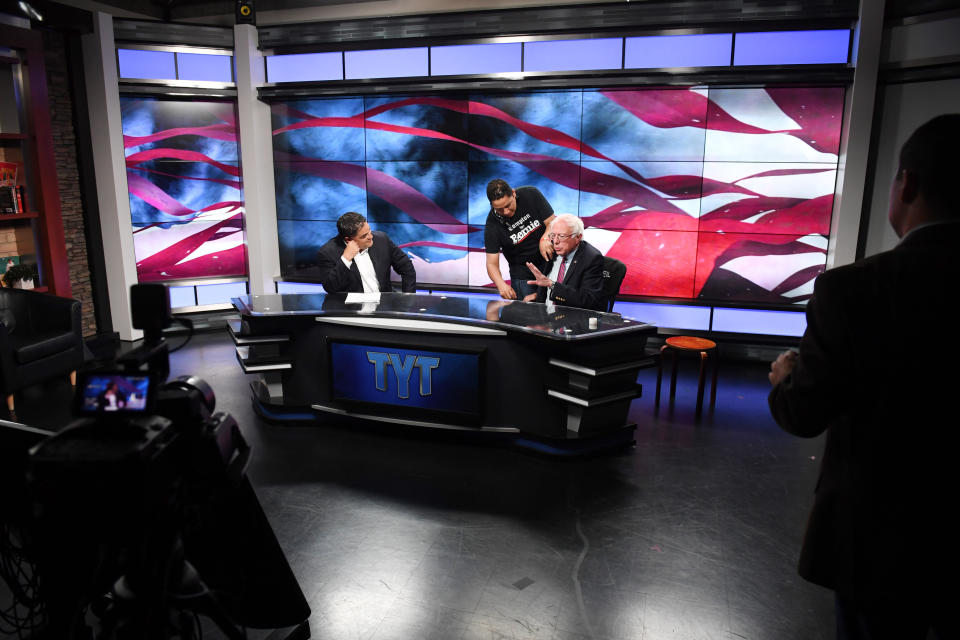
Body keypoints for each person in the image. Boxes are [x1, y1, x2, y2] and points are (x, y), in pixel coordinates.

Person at [768, 114, 960, 640]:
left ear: (907, 184)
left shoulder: (855, 291)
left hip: (884, 542)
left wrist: (786, 376)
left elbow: (804, 413)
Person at [484, 178, 556, 300]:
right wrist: (501, 285)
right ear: (492, 205)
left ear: (513, 193)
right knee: (527, 313)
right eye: (499, 209)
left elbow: (552, 222)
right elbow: (491, 263)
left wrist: (545, 238)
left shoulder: (531, 194)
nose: (506, 211)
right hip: (523, 274)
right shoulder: (492, 224)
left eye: (508, 205)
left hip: (549, 263)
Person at [316, 212, 416, 294]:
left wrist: (408, 298)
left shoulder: (382, 240)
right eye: (364, 236)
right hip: (351, 312)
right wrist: (346, 259)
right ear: (348, 240)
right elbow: (331, 288)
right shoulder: (327, 252)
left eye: (369, 231)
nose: (371, 237)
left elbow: (407, 267)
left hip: (384, 307)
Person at [524, 214, 605, 311]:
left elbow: (588, 300)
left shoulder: (591, 258)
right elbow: (545, 287)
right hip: (545, 317)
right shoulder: (552, 251)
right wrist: (538, 295)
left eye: (562, 236)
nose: (555, 241)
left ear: (578, 237)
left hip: (572, 319)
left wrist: (552, 285)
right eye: (553, 235)